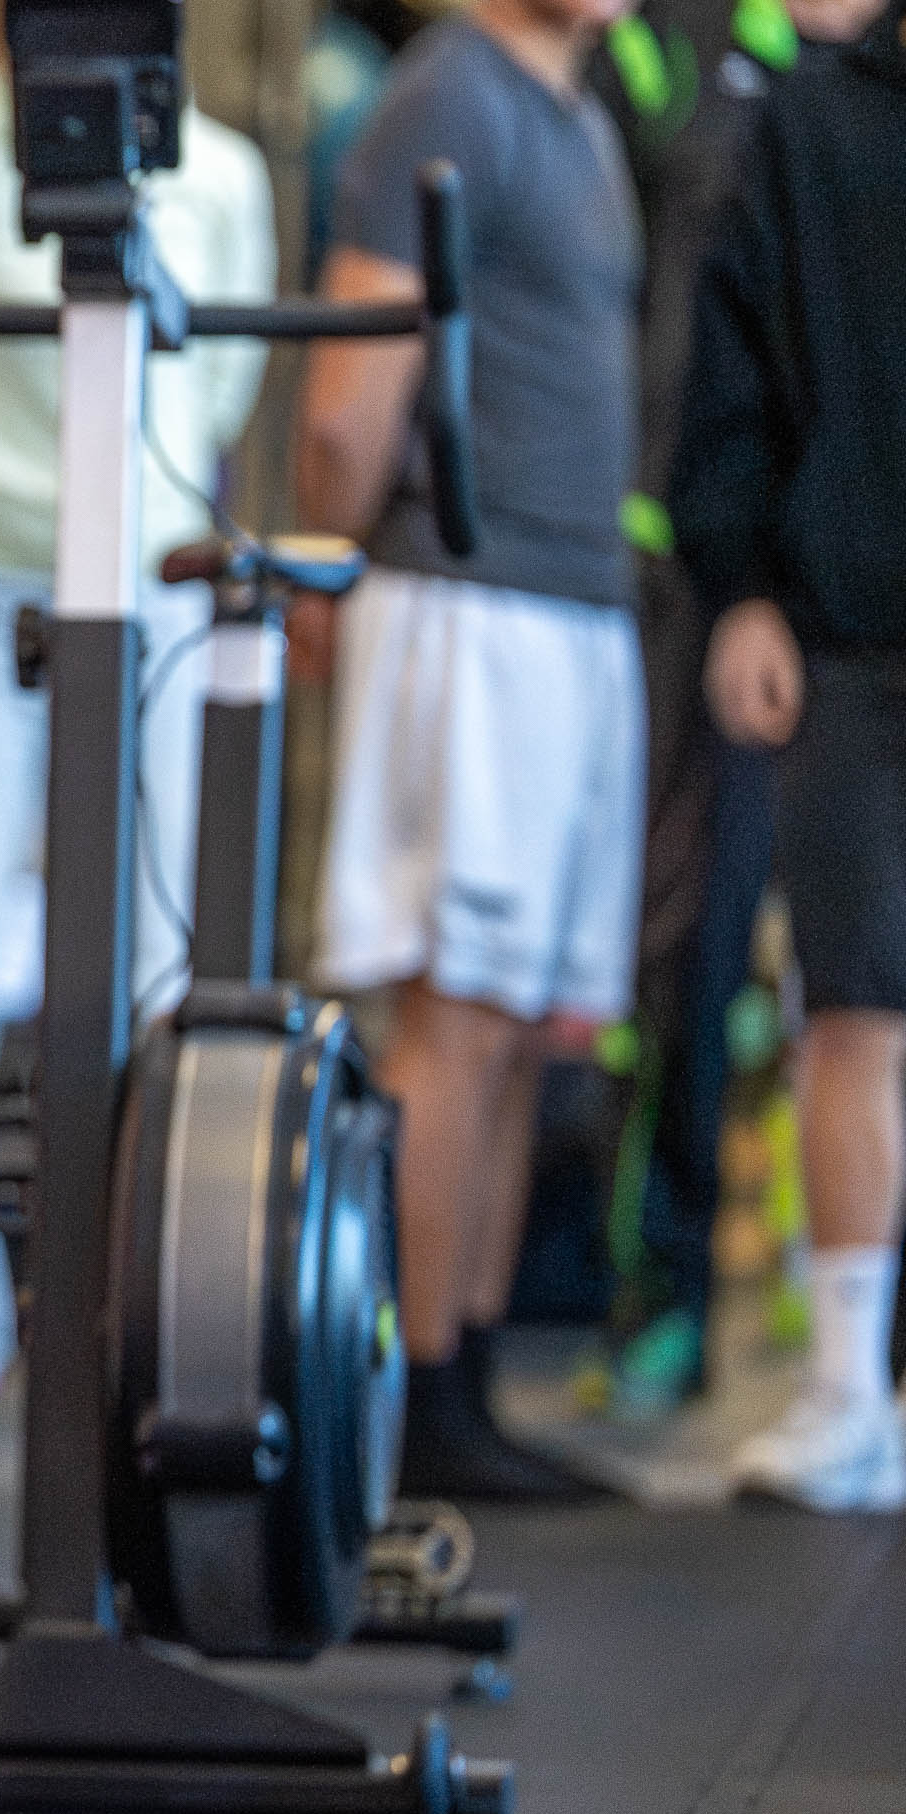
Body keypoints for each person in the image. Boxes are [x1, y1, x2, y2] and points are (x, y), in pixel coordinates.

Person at [0, 0, 276, 1417]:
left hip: (149, 575)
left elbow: (217, 388)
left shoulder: (221, 177)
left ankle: (146, 1286)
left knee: (155, 937)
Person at [295, 0, 642, 1499]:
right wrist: (327, 560)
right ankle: (412, 1400)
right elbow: (347, 400)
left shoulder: (577, 112)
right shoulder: (448, 94)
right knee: (452, 1010)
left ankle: (469, 1389)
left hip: (574, 605)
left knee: (514, 1025)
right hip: (466, 598)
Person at [591, 0, 885, 1414]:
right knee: (694, 949)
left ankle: (863, 1343)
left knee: (862, 991)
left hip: (840, 601)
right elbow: (702, 339)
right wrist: (736, 573)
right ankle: (666, 1294)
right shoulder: (670, 52)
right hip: (728, 595)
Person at [671, 0, 906, 1511]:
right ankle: (846, 1394)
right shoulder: (812, 121)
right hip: (849, 634)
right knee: (853, 1013)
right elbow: (734, 374)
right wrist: (743, 586)